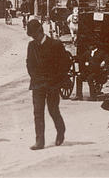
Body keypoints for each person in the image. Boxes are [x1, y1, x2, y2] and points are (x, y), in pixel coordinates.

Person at [25, 19, 67, 150]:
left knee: (53, 110)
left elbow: (64, 65)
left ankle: (61, 130)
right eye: (31, 36)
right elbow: (29, 64)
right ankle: (40, 141)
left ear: (40, 31)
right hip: (37, 84)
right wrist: (35, 77)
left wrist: (56, 81)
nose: (33, 38)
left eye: (34, 35)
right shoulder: (31, 45)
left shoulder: (55, 45)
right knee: (38, 112)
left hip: (52, 84)